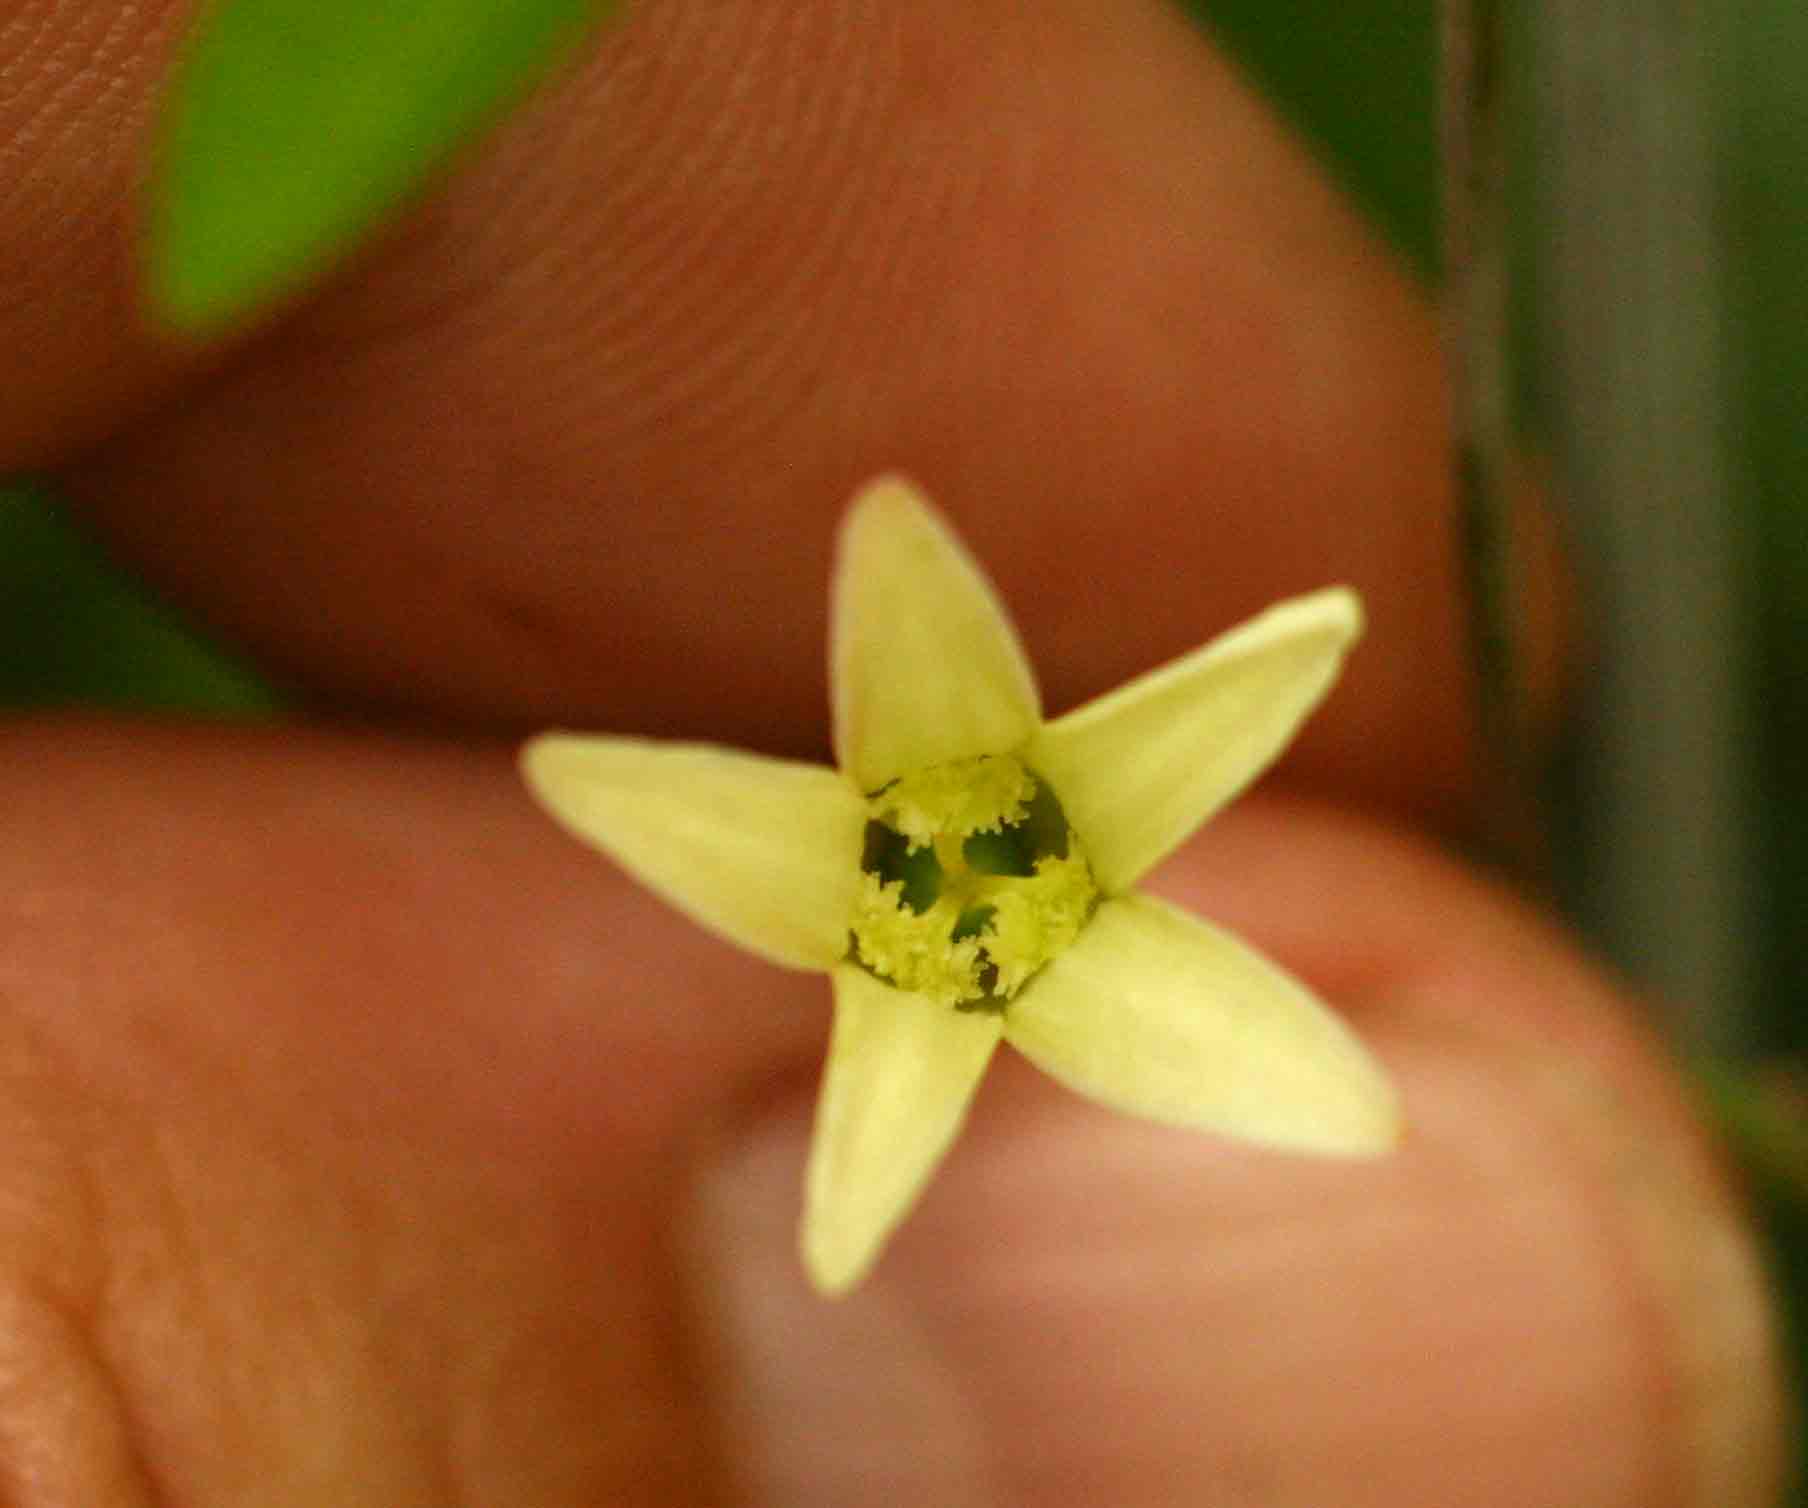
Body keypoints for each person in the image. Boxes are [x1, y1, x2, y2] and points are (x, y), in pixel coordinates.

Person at [0, 2, 1784, 1502]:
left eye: (958, 873)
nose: (964, 874)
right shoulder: (917, 865)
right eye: (958, 875)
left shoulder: (981, 838)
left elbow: (1271, 836)